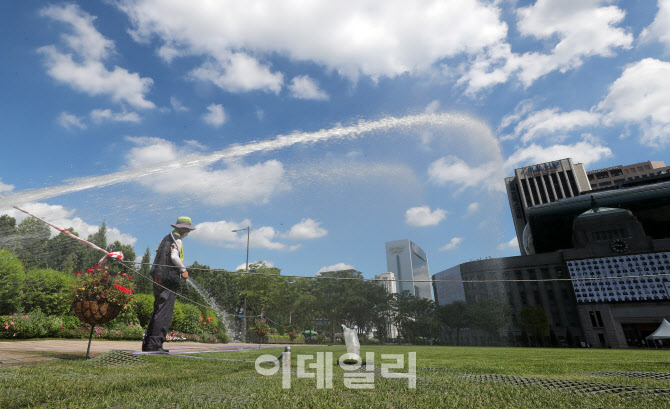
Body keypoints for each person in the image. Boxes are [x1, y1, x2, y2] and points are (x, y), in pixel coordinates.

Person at [142, 216, 196, 352]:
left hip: (157, 277)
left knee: (158, 310)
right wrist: (183, 270)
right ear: (184, 229)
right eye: (188, 230)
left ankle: (148, 344)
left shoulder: (165, 238)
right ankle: (155, 345)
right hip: (168, 279)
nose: (188, 233)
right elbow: (173, 256)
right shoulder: (177, 239)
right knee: (164, 312)